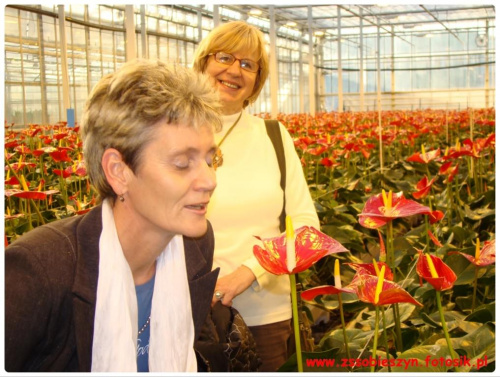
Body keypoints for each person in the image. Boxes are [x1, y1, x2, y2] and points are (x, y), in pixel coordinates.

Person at [4, 59, 223, 372]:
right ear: (119, 172)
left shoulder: (195, 245)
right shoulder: (38, 272)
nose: (210, 180)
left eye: (210, 159)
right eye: (182, 164)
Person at [192, 21, 320, 372]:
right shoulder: (174, 132)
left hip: (266, 315)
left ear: (256, 81)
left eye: (248, 65)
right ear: (204, 62)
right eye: (225, 57)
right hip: (189, 315)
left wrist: (249, 272)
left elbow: (307, 229)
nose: (235, 70)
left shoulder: (274, 137)